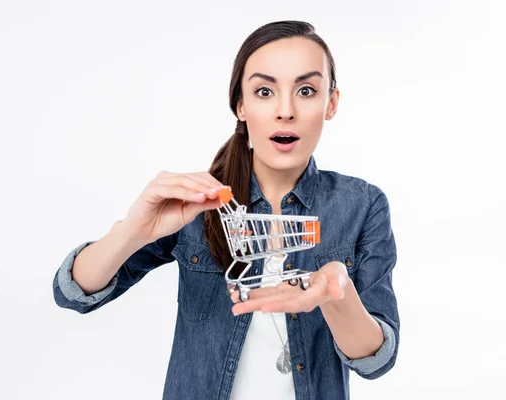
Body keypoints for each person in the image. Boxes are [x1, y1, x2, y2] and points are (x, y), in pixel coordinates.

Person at [52, 20, 400, 400]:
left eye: (306, 90)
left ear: (330, 103)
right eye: (265, 91)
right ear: (241, 105)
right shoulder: (198, 202)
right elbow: (74, 293)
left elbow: (375, 360)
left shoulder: (362, 205)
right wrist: (131, 231)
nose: (285, 111)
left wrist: (337, 295)